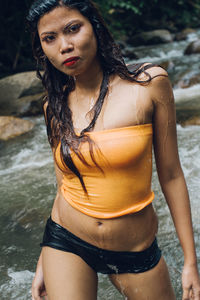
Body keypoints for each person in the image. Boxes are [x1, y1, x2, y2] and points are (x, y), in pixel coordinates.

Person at [27, 1, 200, 299]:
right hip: (67, 241)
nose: (65, 46)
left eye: (73, 29)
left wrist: (190, 261)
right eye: (50, 38)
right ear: (42, 48)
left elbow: (171, 174)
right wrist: (45, 257)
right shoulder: (52, 105)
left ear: (94, 25)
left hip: (134, 250)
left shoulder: (149, 84)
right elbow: (65, 182)